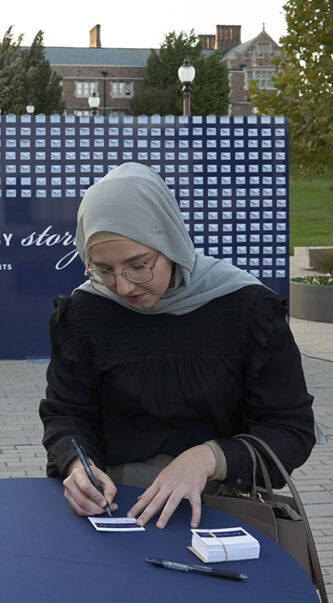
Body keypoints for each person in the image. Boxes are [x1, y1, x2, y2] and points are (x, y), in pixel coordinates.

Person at [39, 162, 315, 530]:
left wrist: (208, 458)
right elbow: (67, 414)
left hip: (222, 514)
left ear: (170, 241)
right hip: (111, 515)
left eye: (138, 265)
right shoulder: (84, 313)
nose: (123, 287)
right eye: (103, 269)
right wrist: (77, 465)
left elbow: (290, 430)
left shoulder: (246, 309)